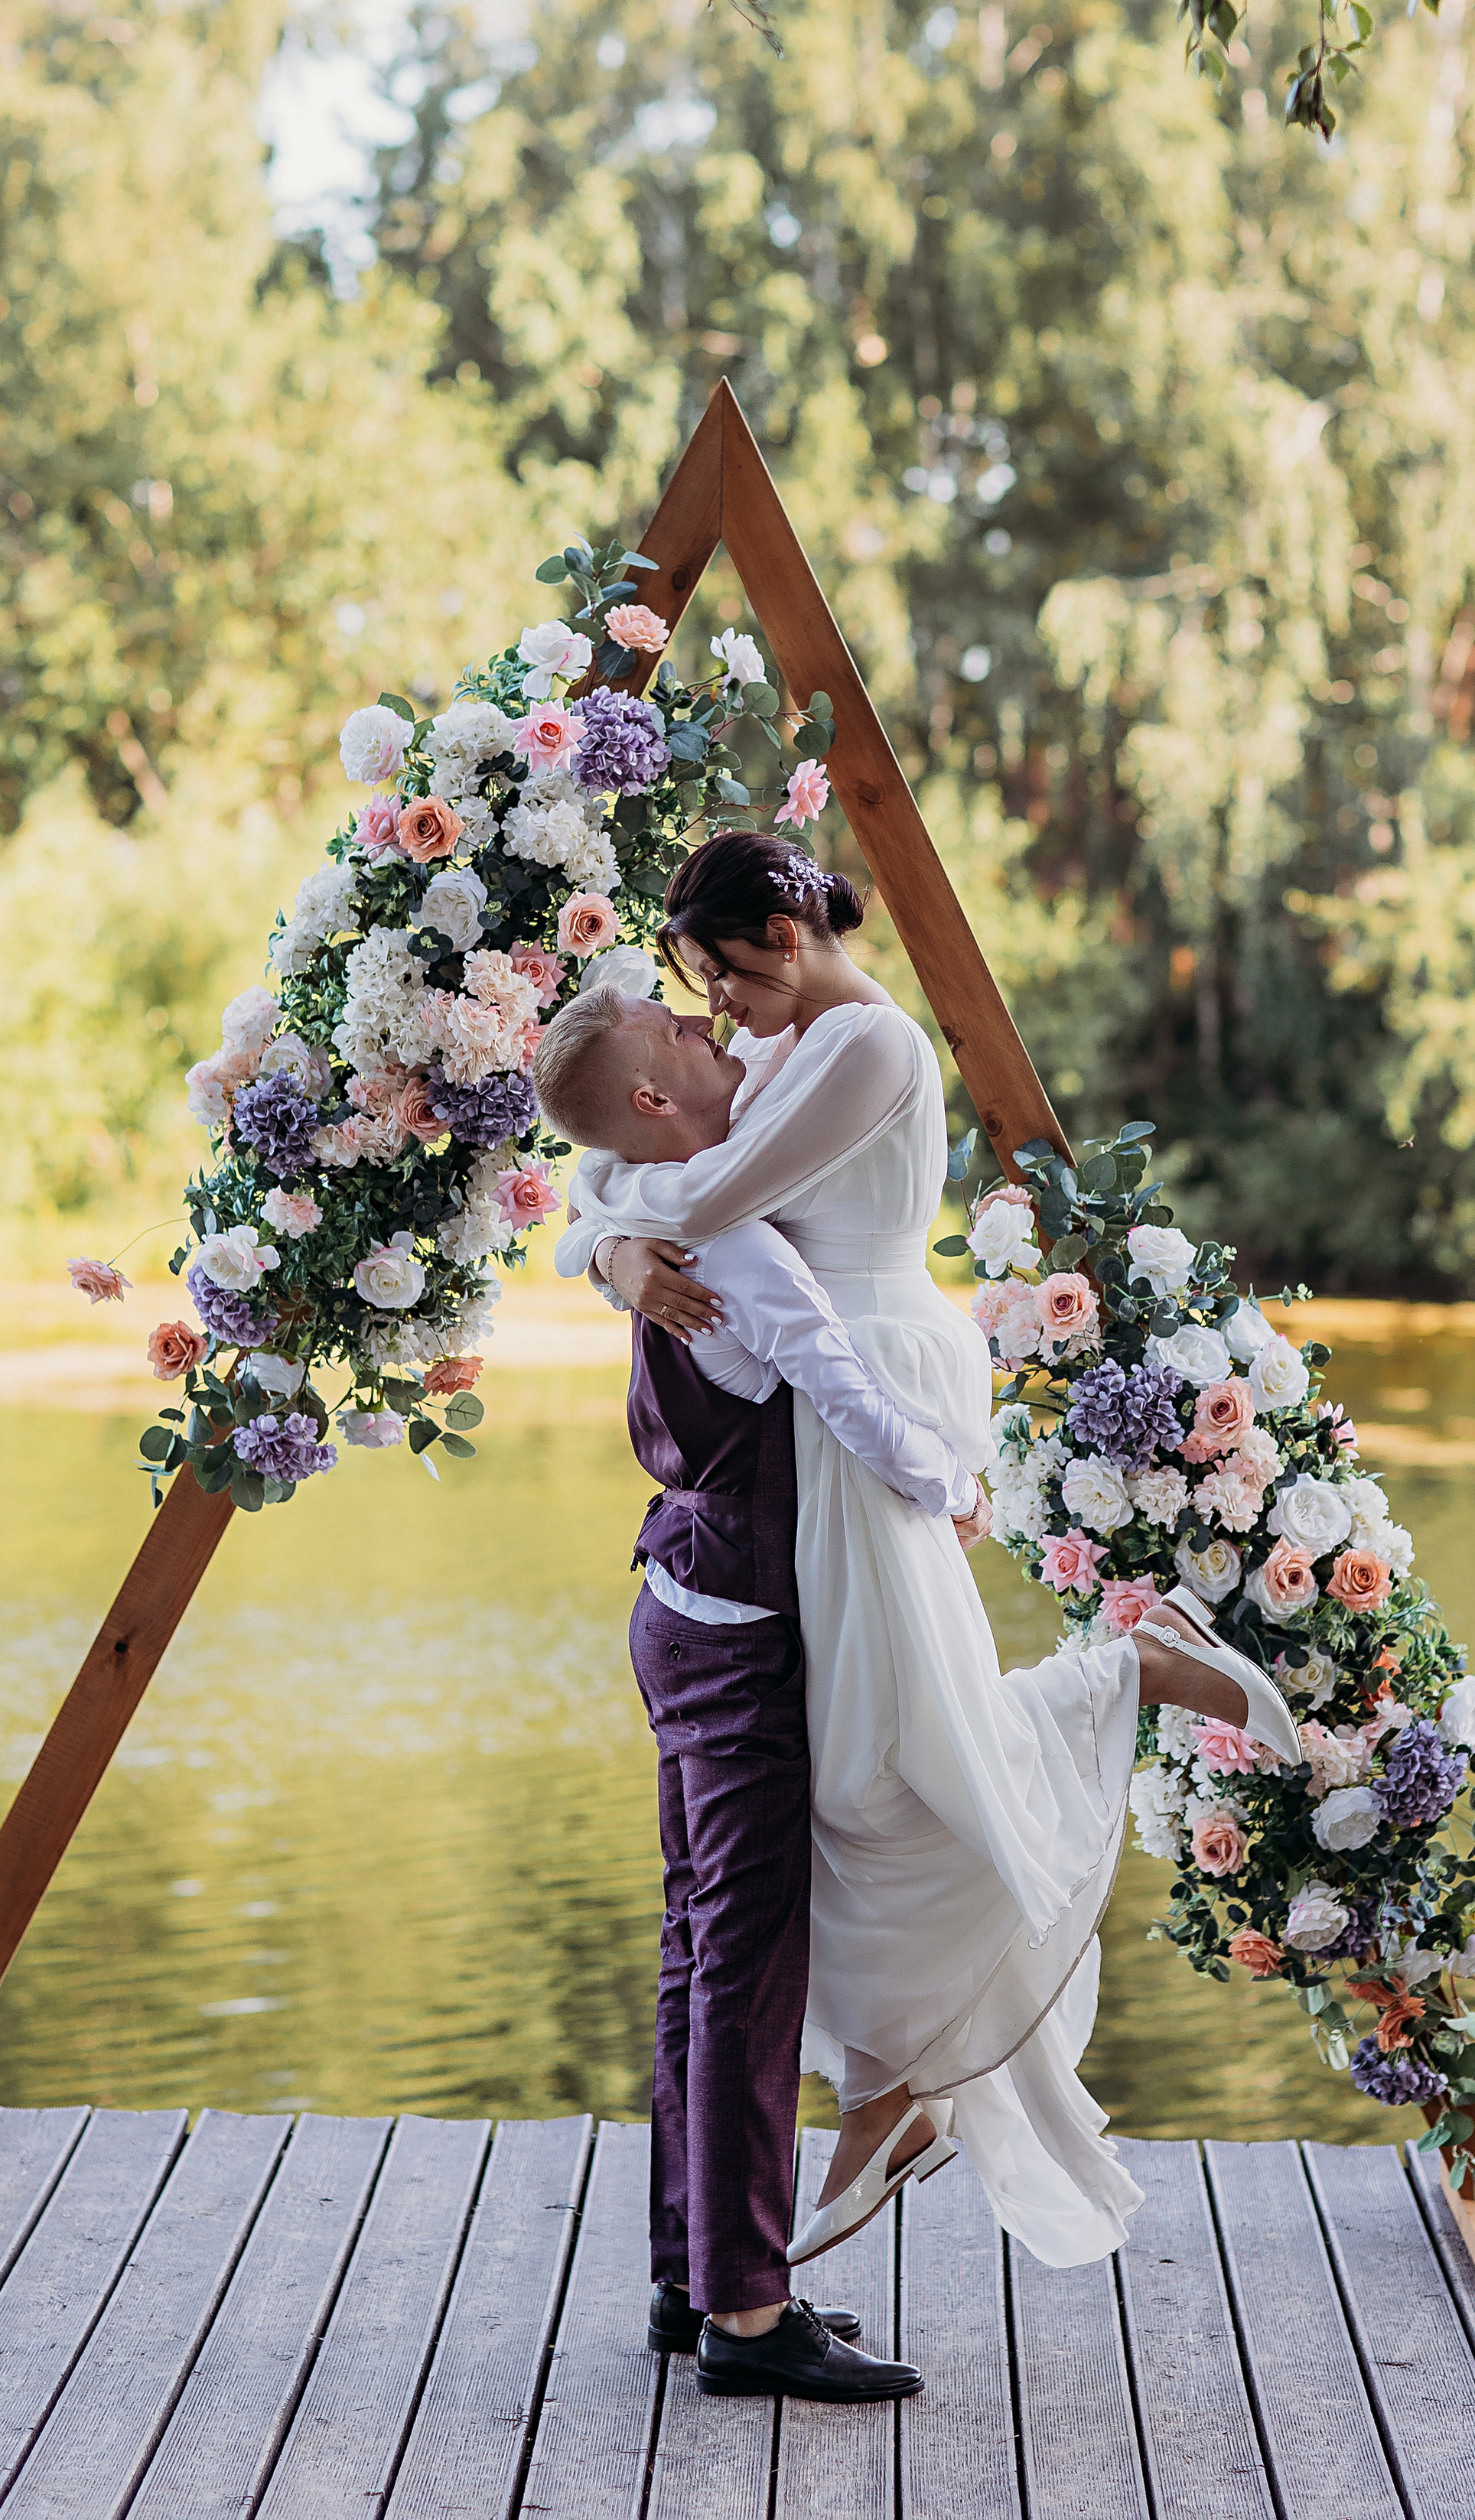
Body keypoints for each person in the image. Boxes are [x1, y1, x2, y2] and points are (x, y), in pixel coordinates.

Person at [549, 834, 1298, 2272]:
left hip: (869, 1390)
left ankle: (903, 2072)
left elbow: (698, 1203)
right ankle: (894, 2084)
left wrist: (623, 1248)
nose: (719, 1012)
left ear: (780, 933)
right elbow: (623, 1168)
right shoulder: (779, 1049)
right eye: (698, 998)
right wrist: (600, 1248)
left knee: (882, 1754)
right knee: (861, 1754)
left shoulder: (869, 1045)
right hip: (837, 1407)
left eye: (720, 977)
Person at [533, 990, 988, 2404]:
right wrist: (949, 1479)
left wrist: (605, 1249)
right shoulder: (721, 1228)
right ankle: (742, 2312)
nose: (704, 1022)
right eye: (677, 1026)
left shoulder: (646, 1185)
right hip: (732, 1629)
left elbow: (585, 1194)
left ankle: (695, 2274)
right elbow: (833, 1379)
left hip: (682, 1605)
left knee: (700, 1950)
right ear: (660, 1096)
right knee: (744, 1963)